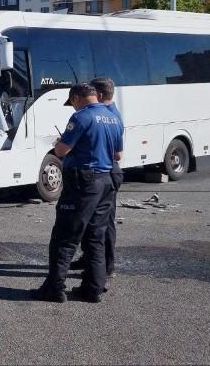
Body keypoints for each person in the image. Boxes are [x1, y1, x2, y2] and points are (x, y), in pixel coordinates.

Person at [31, 84, 123, 304]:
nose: (72, 107)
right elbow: (118, 154)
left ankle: (54, 288)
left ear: (76, 98)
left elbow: (62, 151)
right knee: (96, 237)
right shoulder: (114, 118)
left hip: (83, 182)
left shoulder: (81, 118)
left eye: (72, 103)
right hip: (106, 180)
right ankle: (93, 288)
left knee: (65, 236)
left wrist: (59, 144)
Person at [70, 78, 123, 277]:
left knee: (103, 223)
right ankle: (92, 261)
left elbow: (117, 155)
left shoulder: (106, 115)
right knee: (95, 222)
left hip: (104, 171)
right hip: (107, 170)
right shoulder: (111, 114)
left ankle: (105, 266)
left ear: (99, 95)